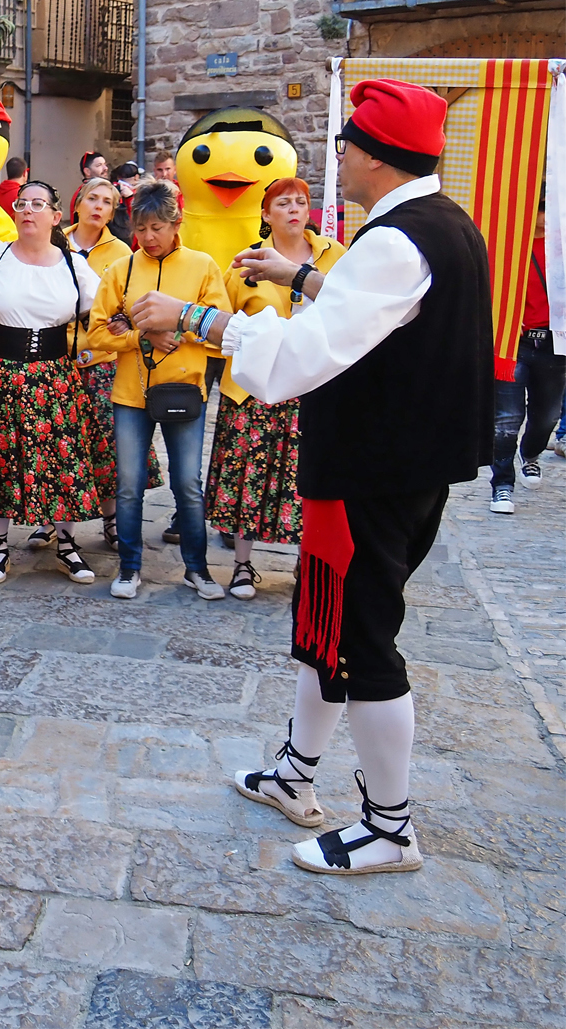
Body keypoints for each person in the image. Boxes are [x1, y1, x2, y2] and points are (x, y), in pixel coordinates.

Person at [130, 79, 492, 876]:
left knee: (362, 644)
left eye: (346, 144)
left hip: (370, 472)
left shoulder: (396, 239)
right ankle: (294, 773)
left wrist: (192, 318)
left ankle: (389, 828)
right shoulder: (440, 224)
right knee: (323, 628)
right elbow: (381, 315)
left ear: (375, 156)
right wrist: (297, 280)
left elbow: (294, 361)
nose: (338, 157)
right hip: (393, 467)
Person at [86, 180, 230, 602]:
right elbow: (97, 334)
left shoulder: (203, 266)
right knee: (128, 484)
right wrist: (140, 339)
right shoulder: (121, 271)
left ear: (176, 223)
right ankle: (129, 568)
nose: (148, 238)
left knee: (187, 483)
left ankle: (197, 569)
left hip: (185, 390)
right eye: (141, 229)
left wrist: (178, 327)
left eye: (157, 228)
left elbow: (221, 329)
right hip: (131, 394)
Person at [205, 179, 345, 599]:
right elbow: (220, 320)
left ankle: (309, 563)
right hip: (255, 390)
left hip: (313, 386)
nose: (293, 209)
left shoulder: (334, 256)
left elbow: (348, 312)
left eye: (300, 202)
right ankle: (243, 565)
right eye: (282, 203)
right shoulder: (246, 261)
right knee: (247, 478)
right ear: (265, 214)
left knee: (310, 478)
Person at [0, 181, 104, 584]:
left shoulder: (74, 265)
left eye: (37, 204)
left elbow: (101, 314)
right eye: (21, 204)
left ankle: (67, 546)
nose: (27, 210)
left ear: (55, 216)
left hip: (54, 375)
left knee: (63, 459)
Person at [63, 177, 161, 554]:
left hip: (103, 360)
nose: (99, 206)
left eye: (107, 201)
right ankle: (57, 524)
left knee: (107, 446)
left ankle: (111, 519)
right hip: (60, 360)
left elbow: (129, 305)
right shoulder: (57, 242)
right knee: (63, 446)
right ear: (78, 203)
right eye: (93, 198)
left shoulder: (122, 252)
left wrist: (125, 320)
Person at [490, 183, 559, 515]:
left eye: (546, 208)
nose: (541, 217)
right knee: (505, 420)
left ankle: (530, 455)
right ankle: (502, 484)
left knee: (546, 418)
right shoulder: (505, 251)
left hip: (554, 345)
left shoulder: (560, 251)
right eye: (537, 209)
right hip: (512, 343)